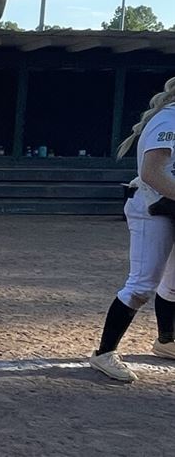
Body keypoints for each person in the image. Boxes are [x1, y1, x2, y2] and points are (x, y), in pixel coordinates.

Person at [89, 76, 175, 382]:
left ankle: (166, 341)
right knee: (141, 285)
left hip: (170, 207)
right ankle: (104, 354)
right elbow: (152, 173)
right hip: (152, 209)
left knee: (173, 283)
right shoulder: (169, 119)